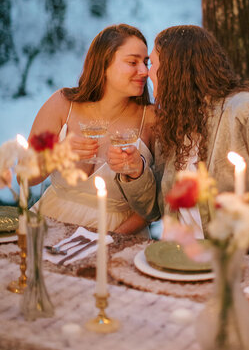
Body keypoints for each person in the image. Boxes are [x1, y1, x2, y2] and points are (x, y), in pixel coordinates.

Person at [121, 24, 249, 263]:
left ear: (176, 68)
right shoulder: (174, 125)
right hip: (186, 262)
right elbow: (157, 210)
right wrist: (136, 172)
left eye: (152, 64)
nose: (146, 73)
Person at [28, 24, 158, 234]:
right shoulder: (62, 103)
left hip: (118, 236)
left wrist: (107, 242)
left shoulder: (152, 119)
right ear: (103, 64)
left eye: (146, 62)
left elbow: (152, 208)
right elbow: (25, 176)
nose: (144, 71)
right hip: (50, 225)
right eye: (132, 62)